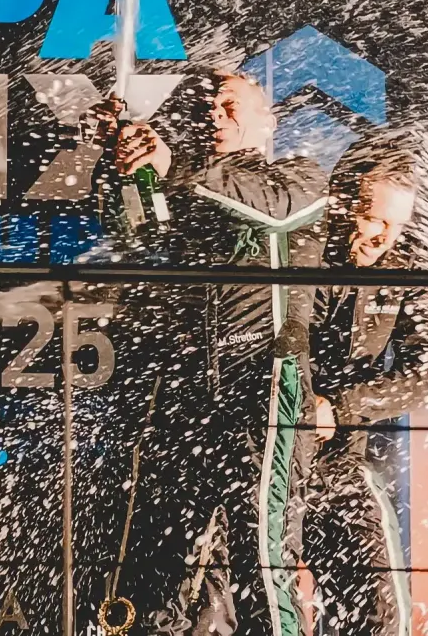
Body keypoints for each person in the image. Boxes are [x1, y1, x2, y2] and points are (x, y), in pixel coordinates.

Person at [107, 69, 328, 636]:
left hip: (266, 385)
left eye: (230, 104)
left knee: (262, 552)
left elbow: (274, 210)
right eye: (208, 107)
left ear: (268, 119)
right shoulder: (194, 189)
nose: (216, 113)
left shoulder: (299, 179)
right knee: (169, 561)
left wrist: (173, 165)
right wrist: (126, 167)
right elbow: (136, 232)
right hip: (192, 395)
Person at [305, 130, 428, 636]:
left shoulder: (407, 259)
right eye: (375, 219)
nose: (384, 238)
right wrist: (301, 405)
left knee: (381, 613)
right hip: (267, 456)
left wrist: (340, 407)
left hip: (341, 459)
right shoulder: (302, 242)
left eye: (397, 225)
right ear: (342, 202)